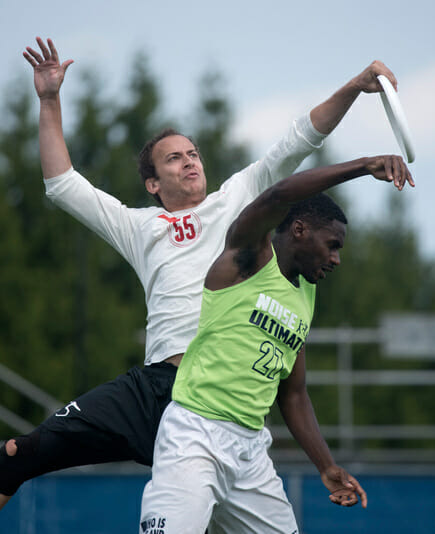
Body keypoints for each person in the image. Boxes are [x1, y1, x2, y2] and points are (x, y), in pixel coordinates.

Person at [0, 36, 405, 534]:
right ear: (152, 183)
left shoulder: (237, 199)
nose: (189, 161)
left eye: (193, 153)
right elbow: (63, 185)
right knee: (19, 452)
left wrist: (354, 86)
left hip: (229, 403)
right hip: (159, 390)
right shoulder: (139, 227)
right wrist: (49, 100)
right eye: (173, 159)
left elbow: (300, 139)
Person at [140, 154, 413, 533]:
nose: (336, 259)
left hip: (250, 451)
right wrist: (362, 167)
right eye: (332, 245)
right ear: (299, 229)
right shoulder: (249, 256)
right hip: (195, 437)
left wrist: (326, 466)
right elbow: (279, 194)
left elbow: (294, 394)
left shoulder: (305, 296)